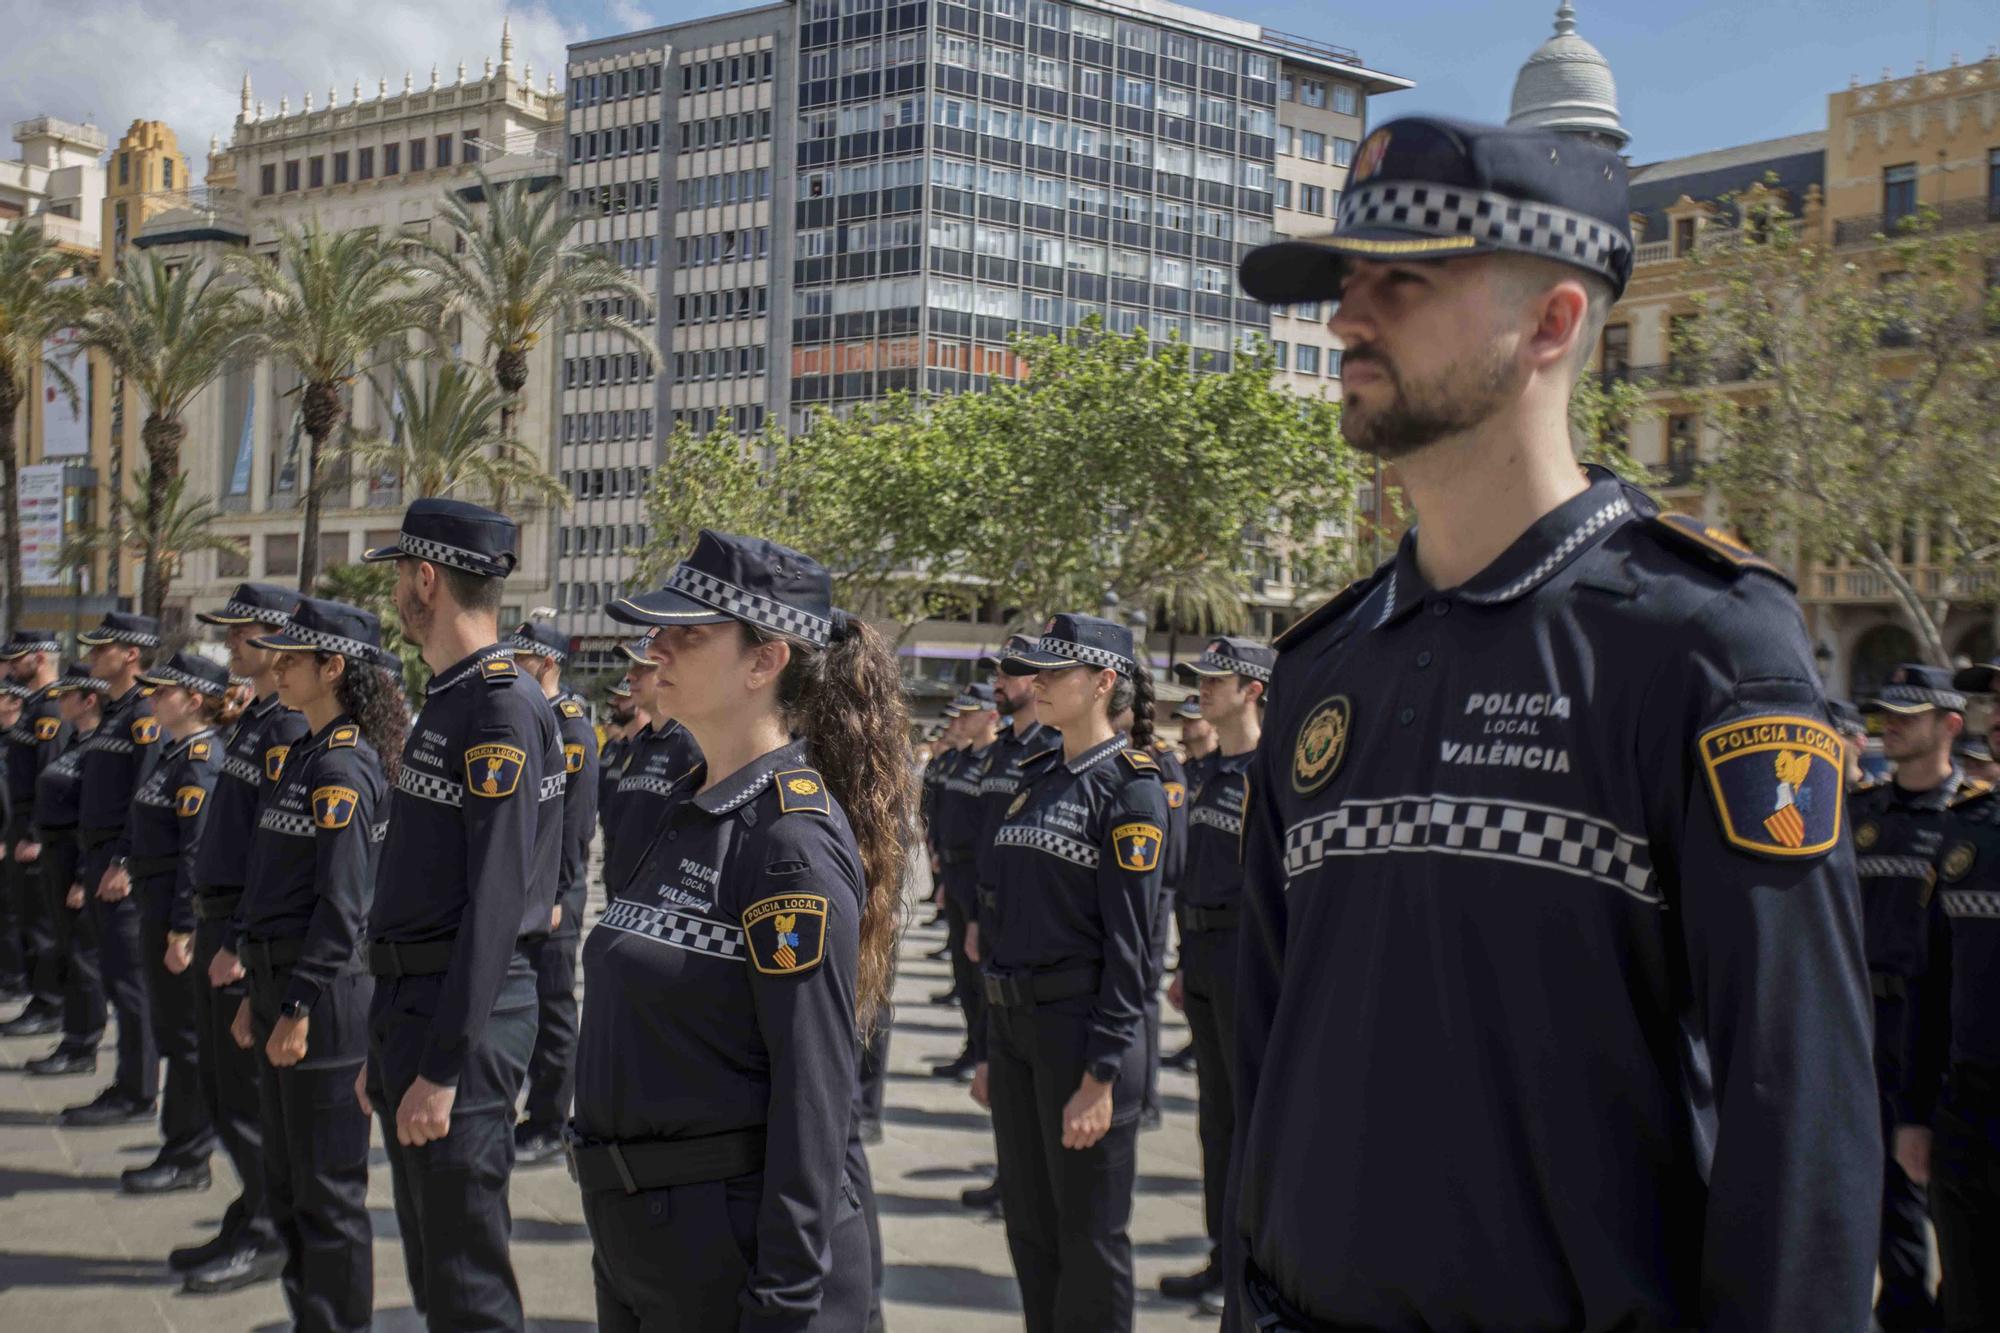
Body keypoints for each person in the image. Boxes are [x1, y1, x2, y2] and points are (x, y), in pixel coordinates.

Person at [1228, 114, 1877, 1330]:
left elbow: (1795, 1108)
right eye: (1341, 282)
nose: (1344, 318)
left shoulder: (1702, 644)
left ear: (1552, 321)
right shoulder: (1321, 664)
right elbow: (1265, 1053)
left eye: (1400, 280)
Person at [574, 529, 909, 1331]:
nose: (656, 647)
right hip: (647, 1237)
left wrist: (787, 1299)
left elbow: (815, 1091)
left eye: (688, 633)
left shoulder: (788, 841)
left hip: (732, 1251)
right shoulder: (687, 806)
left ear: (765, 663)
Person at [356, 499, 563, 1329]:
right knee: (436, 1264)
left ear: (426, 579)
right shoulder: (453, 694)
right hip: (418, 1005)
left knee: (465, 1276)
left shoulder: (498, 707)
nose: (398, 590)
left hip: (462, 1017)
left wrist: (441, 1066)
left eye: (401, 573)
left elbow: (496, 902)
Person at [971, 614, 1168, 1333]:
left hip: (1080, 1037)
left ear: (1103, 682)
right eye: (1037, 671)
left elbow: (1132, 947)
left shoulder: (1131, 788)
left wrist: (1104, 1072)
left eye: (1056, 672)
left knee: (1090, 1239)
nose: (1038, 683)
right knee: (1030, 1227)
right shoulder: (1039, 777)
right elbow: (1011, 923)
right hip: (1020, 1030)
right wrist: (995, 1041)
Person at [231, 597, 403, 1333]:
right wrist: (254, 992)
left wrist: (296, 1005)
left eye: (293, 657)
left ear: (332, 667)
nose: (278, 664)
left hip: (323, 1003)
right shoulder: (305, 752)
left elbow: (340, 908)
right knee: (286, 1183)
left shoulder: (339, 765)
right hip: (280, 985)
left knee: (328, 1194)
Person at [173, 584, 312, 1291]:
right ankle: (251, 1206)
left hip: (241, 930)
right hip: (220, 918)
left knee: (246, 1097)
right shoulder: (260, 715)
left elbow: (275, 848)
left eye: (242, 631)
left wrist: (237, 936)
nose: (230, 642)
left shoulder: (287, 725)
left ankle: (267, 1230)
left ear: (279, 636)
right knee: (221, 1088)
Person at [1852, 665, 1972, 1333]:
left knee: (1947, 1193)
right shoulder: (1859, 811)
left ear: (1950, 724)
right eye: (1884, 712)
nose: (1888, 724)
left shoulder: (1968, 824)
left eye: (1907, 713)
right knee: (1876, 1190)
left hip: (1934, 1029)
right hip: (1860, 1020)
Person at [1158, 637, 1271, 1314]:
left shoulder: (1273, 771)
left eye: (1215, 679)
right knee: (1214, 1122)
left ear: (1253, 688)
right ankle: (1220, 1255)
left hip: (1243, 957)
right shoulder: (1205, 773)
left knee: (1247, 1123)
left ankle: (1248, 1273)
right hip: (1201, 955)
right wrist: (1181, 963)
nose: (1201, 689)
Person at [121, 651, 231, 1195]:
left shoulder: (200, 761)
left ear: (193, 699)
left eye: (162, 692)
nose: (151, 698)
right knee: (172, 1032)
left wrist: (182, 929)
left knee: (186, 1040)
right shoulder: (174, 754)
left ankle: (189, 1153)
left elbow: (197, 852)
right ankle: (179, 1143)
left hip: (173, 913)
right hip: (154, 903)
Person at [959, 635, 1063, 1213]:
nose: (1001, 683)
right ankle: (1011, 1172)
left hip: (1030, 921)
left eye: (1010, 674)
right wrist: (976, 911)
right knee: (997, 1046)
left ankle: (1030, 1181)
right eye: (998, 674)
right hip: (992, 910)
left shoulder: (1051, 749)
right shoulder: (1004, 751)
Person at [1916, 656, 2000, 1330]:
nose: (1996, 716)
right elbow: (1932, 977)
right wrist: (1916, 1112)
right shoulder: (1967, 829)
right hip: (1970, 1109)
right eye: (1993, 702)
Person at [63, 611, 166, 1128]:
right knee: (117, 975)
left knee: (130, 984)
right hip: (100, 854)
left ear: (131, 654)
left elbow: (144, 795)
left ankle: (139, 1090)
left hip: (121, 862)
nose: (91, 657)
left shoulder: (142, 713)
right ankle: (129, 1081)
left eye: (102, 649)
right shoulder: (115, 712)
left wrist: (123, 861)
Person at [503, 619, 601, 1166]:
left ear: (548, 662)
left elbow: (575, 823)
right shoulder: (533, 720)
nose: (516, 664)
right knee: (531, 1002)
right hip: (530, 886)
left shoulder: (572, 730)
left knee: (554, 1005)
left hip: (558, 890)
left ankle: (549, 1119)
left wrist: (563, 889)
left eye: (525, 657)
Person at [21, 663, 107, 1078]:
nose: (59, 700)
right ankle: (73, 1036)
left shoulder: (99, 746)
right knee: (70, 952)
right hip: (58, 853)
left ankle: (83, 1044)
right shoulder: (76, 739)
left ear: (89, 700)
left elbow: (97, 817)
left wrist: (81, 877)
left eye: (67, 694)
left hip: (77, 856)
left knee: (84, 957)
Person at [2, 630, 72, 1039]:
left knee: (43, 927)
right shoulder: (33, 707)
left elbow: (49, 777)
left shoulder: (51, 710)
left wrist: (32, 834)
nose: (12, 665)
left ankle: (50, 1003)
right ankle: (38, 996)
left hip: (36, 836)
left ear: (42, 656)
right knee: (30, 920)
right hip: (22, 831)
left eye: (19, 658)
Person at [599, 638, 702, 899]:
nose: (630, 676)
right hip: (623, 897)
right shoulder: (640, 742)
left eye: (643, 667)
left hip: (656, 906)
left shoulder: (690, 745)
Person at [932, 684, 998, 1080]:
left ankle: (986, 1054)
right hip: (954, 874)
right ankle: (972, 1047)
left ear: (992, 715)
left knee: (979, 974)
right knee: (962, 969)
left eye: (969, 713)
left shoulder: (995, 764)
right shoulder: (959, 760)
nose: (960, 721)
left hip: (978, 876)